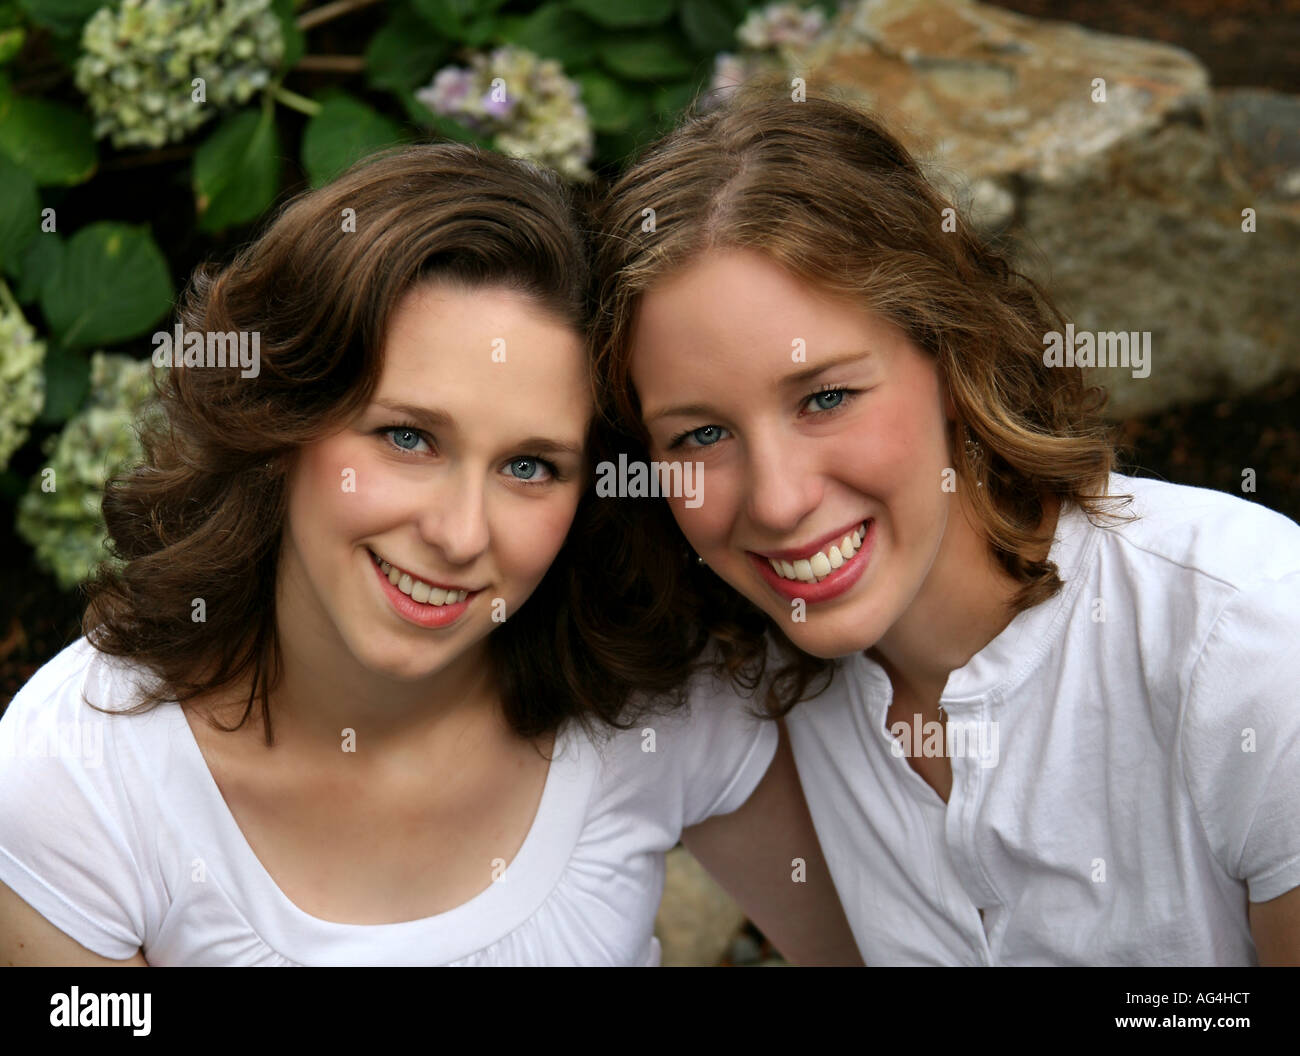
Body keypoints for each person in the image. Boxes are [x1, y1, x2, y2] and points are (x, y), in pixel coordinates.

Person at [0, 142, 859, 966]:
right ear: (281, 426)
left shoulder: (651, 696)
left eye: (530, 467)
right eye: (408, 438)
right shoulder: (82, 775)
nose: (459, 534)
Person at [588, 82, 1300, 966]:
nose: (777, 500)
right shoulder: (734, 686)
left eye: (827, 397)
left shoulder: (1250, 635)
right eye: (700, 434)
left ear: (952, 358)